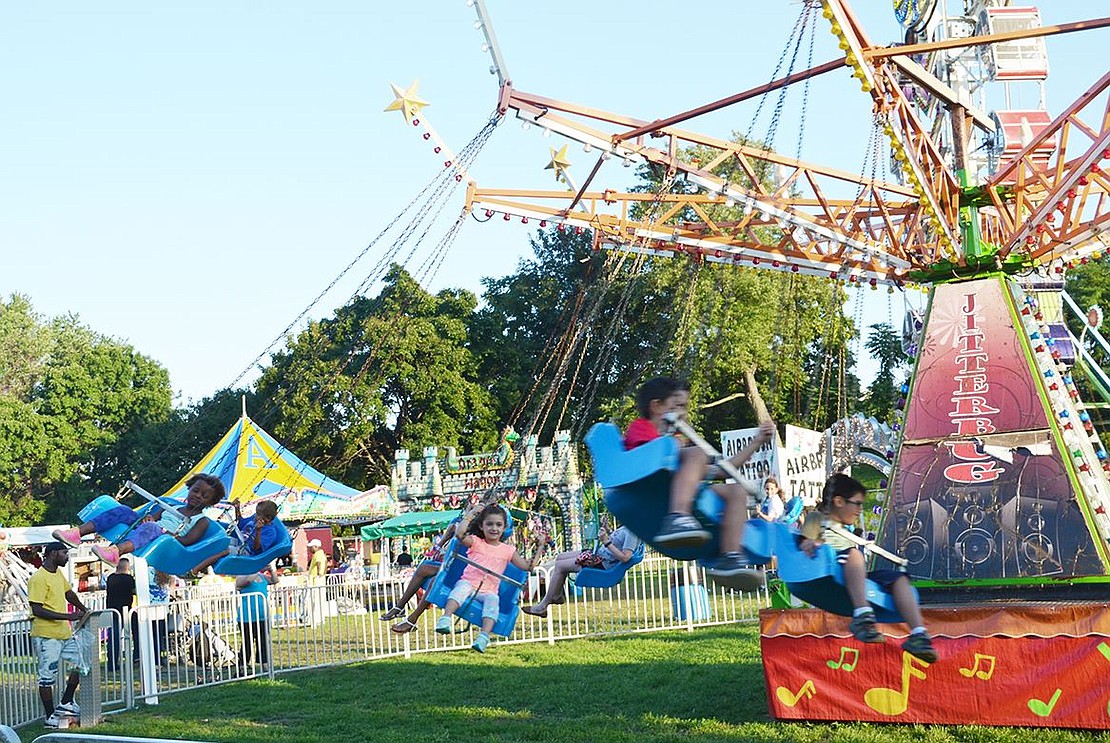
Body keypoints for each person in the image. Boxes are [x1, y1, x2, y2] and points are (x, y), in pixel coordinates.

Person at [625, 376, 774, 579]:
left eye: (684, 407)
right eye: (676, 406)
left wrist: (756, 442)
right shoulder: (642, 428)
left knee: (736, 491)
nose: (682, 413)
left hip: (686, 491)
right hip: (654, 491)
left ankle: (729, 557)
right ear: (657, 406)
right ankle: (677, 517)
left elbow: (723, 471)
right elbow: (650, 457)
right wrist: (676, 443)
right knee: (696, 453)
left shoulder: (684, 453)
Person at [799, 473, 938, 663]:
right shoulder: (817, 519)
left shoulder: (846, 530)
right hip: (829, 566)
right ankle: (862, 616)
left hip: (852, 571)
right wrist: (810, 543)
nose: (859, 510)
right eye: (856, 504)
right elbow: (804, 542)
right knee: (854, 554)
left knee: (898, 578)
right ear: (839, 501)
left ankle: (919, 635)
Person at [51, 474, 226, 571]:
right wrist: (148, 519)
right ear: (189, 489)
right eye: (196, 491)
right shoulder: (172, 506)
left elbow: (188, 541)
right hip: (151, 529)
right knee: (124, 510)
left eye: (204, 496)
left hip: (170, 542)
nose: (197, 496)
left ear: (210, 502)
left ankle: (115, 552)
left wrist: (165, 532)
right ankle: (77, 533)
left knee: (151, 528)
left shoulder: (201, 521)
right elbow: (151, 519)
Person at [433, 503, 546, 653]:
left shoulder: (508, 551)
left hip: (488, 591)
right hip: (469, 583)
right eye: (489, 524)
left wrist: (540, 546)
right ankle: (446, 619)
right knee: (460, 590)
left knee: (493, 602)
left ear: (504, 528)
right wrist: (470, 514)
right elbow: (459, 535)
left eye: (499, 525)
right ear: (481, 526)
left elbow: (528, 566)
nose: (494, 528)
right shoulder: (476, 542)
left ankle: (483, 637)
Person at [28, 542, 89, 729]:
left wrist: (84, 609)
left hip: (63, 633)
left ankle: (66, 702)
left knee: (83, 661)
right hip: (47, 636)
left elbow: (68, 594)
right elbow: (37, 609)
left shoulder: (57, 573)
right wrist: (68, 616)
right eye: (64, 553)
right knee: (47, 677)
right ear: (53, 554)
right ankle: (49, 717)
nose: (67, 556)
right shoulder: (38, 578)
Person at [522, 523, 641, 618]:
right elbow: (618, 543)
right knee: (560, 557)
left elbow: (625, 557)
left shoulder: (633, 532)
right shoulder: (627, 526)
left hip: (602, 563)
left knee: (560, 566)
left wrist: (606, 542)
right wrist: (608, 531)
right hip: (598, 554)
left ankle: (542, 607)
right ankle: (556, 595)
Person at [236, 566, 278, 672]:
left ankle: (264, 664)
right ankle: (243, 665)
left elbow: (275, 580)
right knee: (247, 641)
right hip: (247, 615)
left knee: (263, 640)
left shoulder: (262, 576)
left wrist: (271, 570)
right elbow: (245, 582)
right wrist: (257, 568)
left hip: (262, 614)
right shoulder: (241, 576)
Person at [104, 558, 137, 672]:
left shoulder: (110, 578)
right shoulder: (128, 579)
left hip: (112, 611)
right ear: (127, 567)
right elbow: (134, 591)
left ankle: (111, 663)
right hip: (126, 611)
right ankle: (136, 656)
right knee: (136, 633)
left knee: (113, 639)